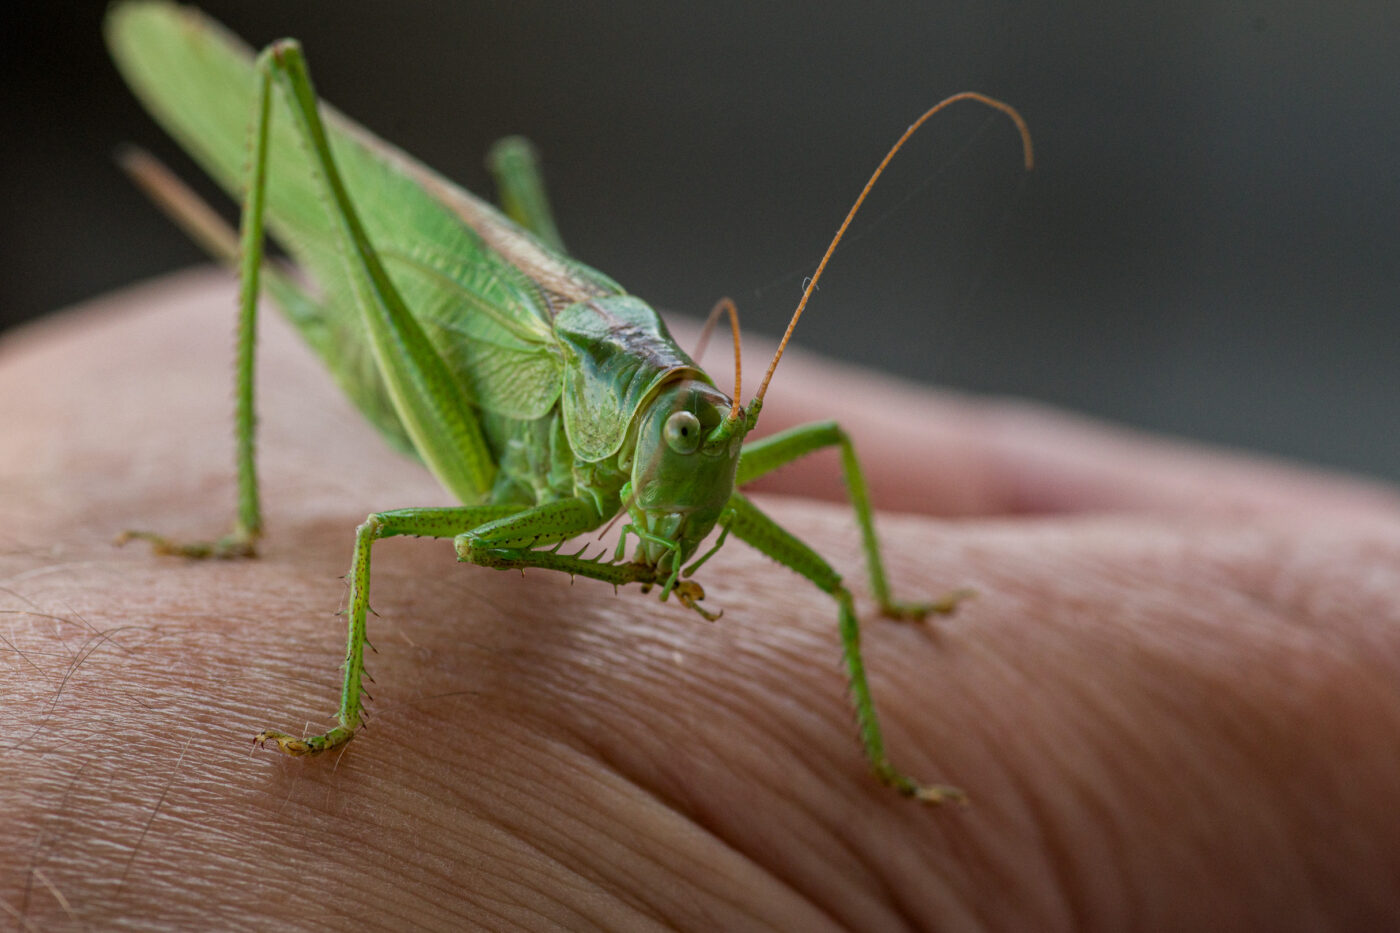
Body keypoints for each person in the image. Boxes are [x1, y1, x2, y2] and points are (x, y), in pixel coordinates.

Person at [4, 271, 1399, 928]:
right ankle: (251, 533)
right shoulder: (580, 452)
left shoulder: (708, 431)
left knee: (840, 502)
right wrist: (339, 713)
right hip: (458, 382)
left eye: (716, 450)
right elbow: (424, 540)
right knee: (399, 519)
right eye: (697, 453)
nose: (715, 480)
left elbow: (829, 474)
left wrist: (884, 665)